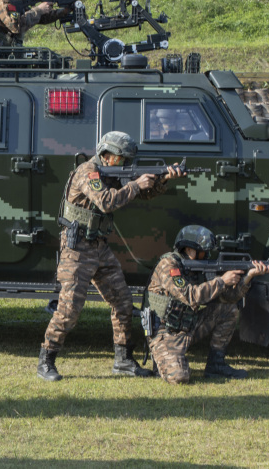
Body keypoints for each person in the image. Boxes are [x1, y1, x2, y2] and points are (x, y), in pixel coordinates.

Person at [37, 131, 186, 381]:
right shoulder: (89, 171)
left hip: (99, 246)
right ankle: (46, 360)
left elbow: (143, 193)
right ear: (106, 155)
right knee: (69, 308)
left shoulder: (114, 173)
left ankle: (124, 360)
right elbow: (106, 202)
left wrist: (163, 180)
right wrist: (135, 184)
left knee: (123, 302)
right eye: (122, 158)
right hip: (78, 248)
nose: (126, 163)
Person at [145, 225, 269, 384]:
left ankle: (216, 365)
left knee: (228, 309)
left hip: (188, 326)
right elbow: (190, 296)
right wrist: (221, 281)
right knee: (180, 378)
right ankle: (162, 361)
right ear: (190, 250)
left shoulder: (198, 269)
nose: (207, 256)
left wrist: (249, 276)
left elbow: (229, 299)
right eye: (203, 252)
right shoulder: (169, 265)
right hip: (166, 333)